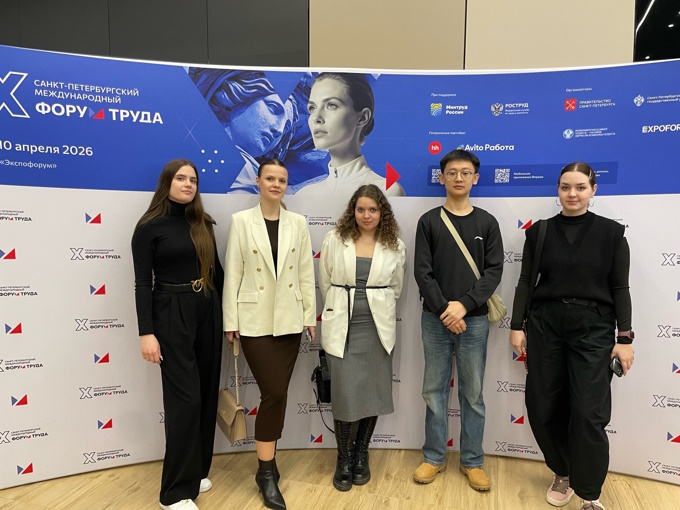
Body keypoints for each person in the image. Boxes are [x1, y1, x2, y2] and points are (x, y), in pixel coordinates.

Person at [509, 162, 633, 510]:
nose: (572, 194)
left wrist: (625, 338)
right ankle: (562, 471)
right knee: (542, 406)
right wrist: (517, 325)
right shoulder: (539, 232)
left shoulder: (612, 233)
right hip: (545, 325)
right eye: (565, 187)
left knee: (588, 413)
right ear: (558, 190)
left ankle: (589, 494)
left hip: (594, 328)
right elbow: (525, 282)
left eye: (580, 187)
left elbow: (620, 288)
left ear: (594, 190)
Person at [223, 158, 316, 510]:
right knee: (274, 392)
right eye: (270, 178)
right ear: (258, 182)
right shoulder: (241, 221)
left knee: (277, 395)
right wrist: (230, 320)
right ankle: (265, 473)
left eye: (282, 180)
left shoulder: (298, 223)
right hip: (253, 321)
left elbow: (305, 272)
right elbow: (233, 272)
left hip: (289, 321)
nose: (276, 184)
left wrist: (309, 315)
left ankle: (268, 463)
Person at [131, 159, 224, 510]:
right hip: (171, 312)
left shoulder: (203, 223)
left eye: (193, 180)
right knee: (185, 402)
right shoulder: (148, 227)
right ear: (167, 182)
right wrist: (146, 333)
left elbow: (218, 273)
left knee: (206, 394)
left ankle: (196, 472)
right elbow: (143, 284)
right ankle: (173, 494)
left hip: (207, 308)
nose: (188, 184)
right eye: (181, 178)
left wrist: (229, 320)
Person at [413, 149, 503, 491]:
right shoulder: (428, 221)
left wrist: (463, 306)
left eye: (466, 173)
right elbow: (423, 272)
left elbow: (494, 272)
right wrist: (444, 310)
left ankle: (472, 461)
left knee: (473, 394)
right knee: (433, 391)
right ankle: (434, 456)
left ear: (475, 178)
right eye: (452, 172)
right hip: (435, 320)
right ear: (442, 178)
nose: (459, 178)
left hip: (474, 321)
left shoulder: (487, 223)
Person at [318, 184, 406, 491]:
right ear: (352, 211)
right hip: (342, 324)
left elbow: (396, 287)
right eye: (360, 209)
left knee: (372, 391)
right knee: (344, 393)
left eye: (373, 209)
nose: (366, 215)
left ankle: (360, 454)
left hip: (376, 327)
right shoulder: (335, 239)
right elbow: (325, 281)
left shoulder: (394, 244)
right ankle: (343, 457)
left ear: (382, 212)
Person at [297, 72, 405, 196]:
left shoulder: (387, 191)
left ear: (362, 117)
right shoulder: (304, 195)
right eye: (312, 108)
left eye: (331, 105)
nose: (316, 117)